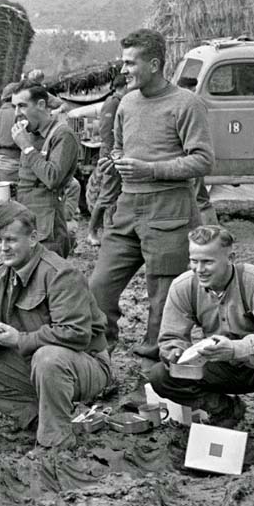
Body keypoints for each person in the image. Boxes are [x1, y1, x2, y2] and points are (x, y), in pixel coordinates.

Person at [88, 28, 214, 361]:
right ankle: (99, 356)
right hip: (127, 207)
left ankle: (155, 372)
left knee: (163, 298)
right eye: (123, 63)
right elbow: (118, 145)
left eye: (130, 63)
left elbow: (203, 160)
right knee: (99, 286)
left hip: (169, 209)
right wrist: (113, 163)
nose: (123, 70)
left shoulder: (186, 104)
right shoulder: (126, 103)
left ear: (154, 64)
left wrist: (151, 170)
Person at [0, 201, 110, 451]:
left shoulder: (59, 274)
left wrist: (19, 340)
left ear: (33, 238)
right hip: (32, 362)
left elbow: (77, 334)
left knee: (48, 358)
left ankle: (55, 443)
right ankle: (38, 418)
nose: (4, 248)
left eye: (11, 240)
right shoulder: (0, 275)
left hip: (85, 364)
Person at [147, 226, 254, 461]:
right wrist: (177, 353)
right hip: (217, 364)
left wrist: (237, 349)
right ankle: (225, 410)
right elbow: (170, 338)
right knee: (161, 374)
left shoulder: (253, 279)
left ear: (230, 258)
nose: (199, 269)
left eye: (207, 262)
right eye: (193, 261)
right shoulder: (184, 286)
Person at [10, 82, 80, 257]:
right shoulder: (30, 135)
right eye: (14, 107)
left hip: (48, 227)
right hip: (25, 218)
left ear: (41, 105)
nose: (17, 113)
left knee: (47, 278)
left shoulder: (62, 135)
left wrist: (26, 147)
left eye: (22, 106)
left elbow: (52, 177)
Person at [86, 74, 129, 246]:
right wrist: (114, 154)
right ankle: (92, 231)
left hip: (118, 153)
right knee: (106, 194)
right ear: (124, 86)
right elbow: (106, 131)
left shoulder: (121, 102)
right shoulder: (113, 103)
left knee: (115, 194)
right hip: (112, 154)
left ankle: (108, 229)